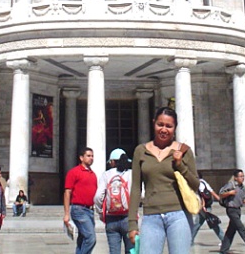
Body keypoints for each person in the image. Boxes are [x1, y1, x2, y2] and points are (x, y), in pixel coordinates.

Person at [128, 106, 199, 254]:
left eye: (169, 126)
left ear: (175, 128)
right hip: (151, 216)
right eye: (160, 124)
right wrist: (132, 224)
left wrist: (180, 165)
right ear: (153, 123)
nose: (164, 129)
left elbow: (195, 184)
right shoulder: (141, 151)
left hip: (179, 215)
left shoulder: (184, 151)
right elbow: (135, 188)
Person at [94, 148, 132, 254]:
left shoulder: (106, 174)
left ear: (112, 162)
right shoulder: (131, 174)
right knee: (131, 250)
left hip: (111, 218)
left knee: (114, 251)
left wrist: (101, 213)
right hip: (129, 218)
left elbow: (97, 197)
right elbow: (142, 194)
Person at [64, 147, 98, 254]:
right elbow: (67, 193)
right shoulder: (74, 172)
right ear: (81, 158)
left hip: (90, 210)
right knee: (91, 238)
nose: (91, 158)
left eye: (92, 156)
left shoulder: (93, 174)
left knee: (83, 239)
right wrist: (66, 214)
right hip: (79, 209)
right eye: (88, 156)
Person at [218, 169, 245, 254]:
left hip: (237, 210)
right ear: (235, 178)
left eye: (243, 176)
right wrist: (230, 193)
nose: (243, 178)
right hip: (231, 210)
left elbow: (243, 199)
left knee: (231, 230)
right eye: (240, 176)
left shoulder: (242, 187)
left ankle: (224, 249)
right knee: (241, 228)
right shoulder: (231, 185)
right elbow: (221, 194)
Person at [191, 173, 223, 245]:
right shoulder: (204, 182)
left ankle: (224, 239)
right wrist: (219, 199)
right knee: (198, 224)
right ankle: (190, 240)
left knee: (212, 223)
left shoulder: (199, 184)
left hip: (204, 207)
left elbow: (203, 196)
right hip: (206, 206)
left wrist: (203, 206)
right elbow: (211, 191)